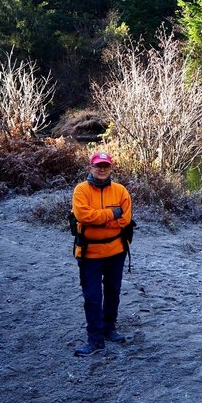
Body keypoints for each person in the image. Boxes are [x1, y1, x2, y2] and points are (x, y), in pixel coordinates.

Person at [72, 151, 132, 357]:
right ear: (90, 167)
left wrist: (100, 218)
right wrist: (111, 215)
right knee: (92, 297)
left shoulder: (121, 191)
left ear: (111, 169)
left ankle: (109, 329)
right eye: (98, 165)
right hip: (89, 253)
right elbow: (83, 216)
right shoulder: (81, 190)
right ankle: (95, 340)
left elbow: (125, 219)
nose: (102, 169)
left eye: (106, 166)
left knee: (113, 292)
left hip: (116, 251)